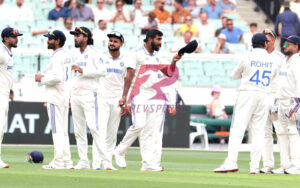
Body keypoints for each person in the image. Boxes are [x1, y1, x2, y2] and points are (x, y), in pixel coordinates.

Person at [114, 29, 183, 171]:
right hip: (138, 94)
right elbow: (129, 76)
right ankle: (120, 151)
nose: (160, 43)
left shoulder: (158, 56)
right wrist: (125, 98)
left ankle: (147, 164)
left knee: (149, 132)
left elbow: (169, 72)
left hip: (153, 96)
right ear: (150, 39)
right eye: (158, 40)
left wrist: (173, 61)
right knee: (139, 125)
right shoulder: (136, 53)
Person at [214, 33, 280, 174]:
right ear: (265, 44)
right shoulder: (273, 60)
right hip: (264, 95)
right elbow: (274, 77)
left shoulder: (246, 57)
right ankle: (254, 167)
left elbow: (234, 75)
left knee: (237, 129)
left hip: (247, 93)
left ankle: (231, 162)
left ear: (252, 44)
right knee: (258, 132)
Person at [69, 27, 111, 170]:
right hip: (76, 94)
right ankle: (83, 161)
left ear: (85, 38)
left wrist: (84, 71)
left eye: (78, 35)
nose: (75, 38)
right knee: (79, 130)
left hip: (90, 94)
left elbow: (103, 71)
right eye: (74, 35)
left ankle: (106, 161)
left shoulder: (94, 53)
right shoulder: (74, 54)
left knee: (94, 128)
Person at [35, 30, 73, 170]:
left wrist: (41, 79)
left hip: (55, 97)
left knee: (57, 131)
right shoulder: (66, 55)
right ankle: (67, 161)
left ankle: (58, 162)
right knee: (63, 132)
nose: (48, 41)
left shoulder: (57, 57)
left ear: (57, 41)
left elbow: (57, 77)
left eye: (50, 39)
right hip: (63, 96)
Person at [92, 31, 126, 170]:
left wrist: (125, 99)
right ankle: (96, 163)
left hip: (117, 98)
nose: (111, 43)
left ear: (121, 44)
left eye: (115, 41)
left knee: (112, 133)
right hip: (102, 97)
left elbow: (127, 81)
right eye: (110, 40)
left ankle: (107, 163)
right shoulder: (100, 57)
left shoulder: (126, 59)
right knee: (100, 130)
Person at [259, 28, 285, 174]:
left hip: (276, 96)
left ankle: (285, 164)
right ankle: (268, 164)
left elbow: (283, 81)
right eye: (263, 40)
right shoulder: (258, 56)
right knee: (265, 132)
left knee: (280, 130)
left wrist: (279, 99)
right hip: (262, 96)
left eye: (267, 40)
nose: (265, 43)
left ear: (273, 40)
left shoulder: (280, 58)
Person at [275, 35, 300, 175]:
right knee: (281, 133)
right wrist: (276, 100)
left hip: (293, 100)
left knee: (293, 132)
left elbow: (299, 84)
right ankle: (285, 165)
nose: (284, 47)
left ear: (296, 47)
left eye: (288, 45)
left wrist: (297, 103)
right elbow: (280, 83)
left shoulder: (298, 62)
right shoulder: (285, 61)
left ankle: (296, 165)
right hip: (282, 100)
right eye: (284, 44)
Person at [0, 27, 22, 168]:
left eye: (17, 36)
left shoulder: (7, 53)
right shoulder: (2, 53)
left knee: (1, 127)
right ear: (5, 38)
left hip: (4, 93)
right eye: (13, 37)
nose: (16, 39)